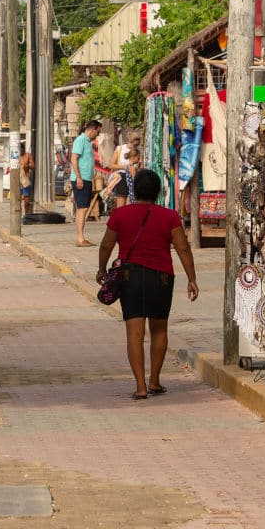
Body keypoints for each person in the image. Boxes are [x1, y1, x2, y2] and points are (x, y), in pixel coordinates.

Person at [96, 169, 199, 400]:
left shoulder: (120, 215)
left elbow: (106, 245)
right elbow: (183, 248)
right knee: (159, 329)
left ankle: (140, 386)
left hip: (130, 277)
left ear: (134, 191)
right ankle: (155, 381)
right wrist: (192, 279)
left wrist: (102, 269)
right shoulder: (169, 216)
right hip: (161, 277)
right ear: (158, 192)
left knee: (134, 332)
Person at [71, 120, 101, 247]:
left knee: (83, 208)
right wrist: (78, 177)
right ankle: (80, 238)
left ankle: (81, 237)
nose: (98, 135)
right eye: (98, 132)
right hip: (80, 179)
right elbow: (74, 159)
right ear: (92, 129)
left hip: (86, 179)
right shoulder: (80, 140)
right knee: (82, 208)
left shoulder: (89, 142)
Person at [18, 143, 35, 216]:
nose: (20, 151)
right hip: (17, 180)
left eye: (21, 149)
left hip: (25, 180)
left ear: (23, 149)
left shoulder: (28, 155)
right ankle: (19, 215)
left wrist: (27, 166)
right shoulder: (16, 156)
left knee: (26, 201)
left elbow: (33, 166)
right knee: (18, 200)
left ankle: (27, 214)